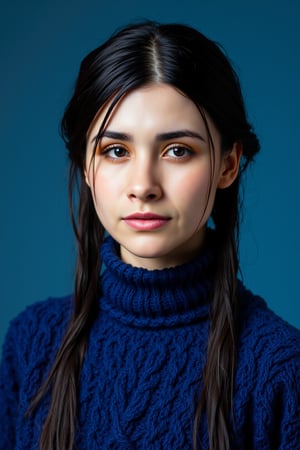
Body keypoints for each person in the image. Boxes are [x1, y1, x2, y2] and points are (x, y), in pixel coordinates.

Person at [0, 21, 299, 450]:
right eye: (115, 150)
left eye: (177, 150)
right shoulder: (32, 344)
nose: (143, 185)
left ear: (228, 165)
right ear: (86, 166)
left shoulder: (279, 368)